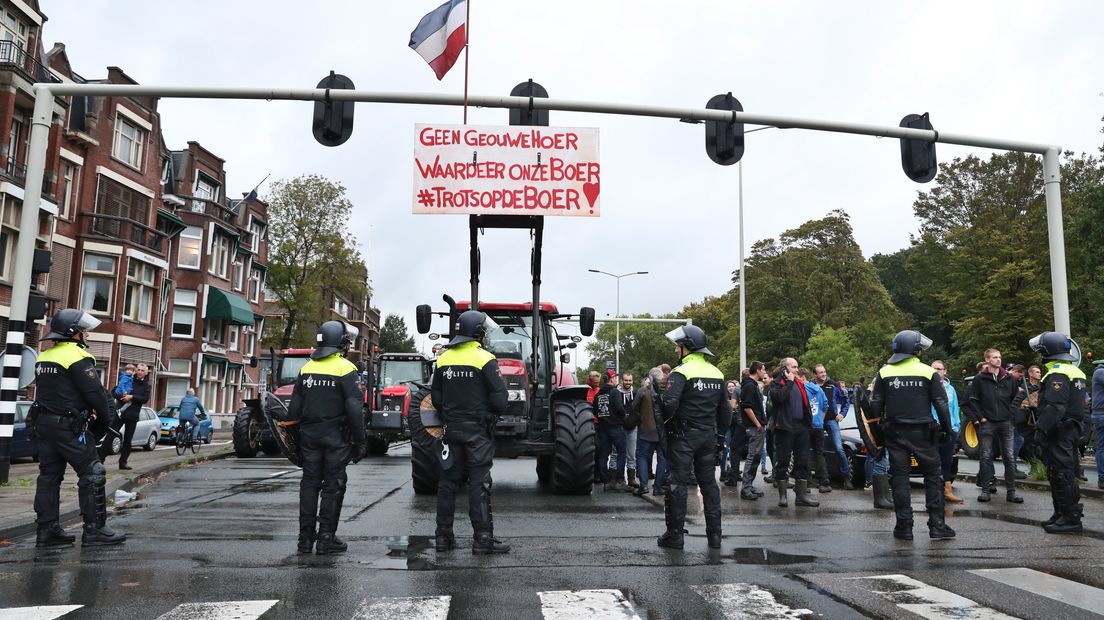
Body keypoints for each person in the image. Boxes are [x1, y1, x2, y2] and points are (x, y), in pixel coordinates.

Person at [29, 308, 126, 546]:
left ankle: (47, 530)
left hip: (44, 425)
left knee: (49, 477)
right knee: (93, 472)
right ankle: (95, 531)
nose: (87, 335)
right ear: (74, 333)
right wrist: (104, 425)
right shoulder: (77, 357)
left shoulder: (44, 356)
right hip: (69, 427)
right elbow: (96, 396)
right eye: (84, 331)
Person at [431, 310, 509, 554]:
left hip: (451, 431)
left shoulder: (443, 359)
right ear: (477, 332)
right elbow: (500, 401)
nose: (485, 335)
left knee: (447, 483)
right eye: (483, 331)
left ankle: (443, 538)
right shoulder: (485, 358)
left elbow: (436, 398)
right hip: (477, 432)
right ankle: (483, 540)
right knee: (479, 484)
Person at [288, 320, 366, 555]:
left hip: (309, 438)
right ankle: (325, 539)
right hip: (336, 439)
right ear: (341, 342)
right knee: (333, 486)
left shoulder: (306, 369)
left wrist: (294, 442)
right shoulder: (346, 369)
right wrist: (360, 441)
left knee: (309, 485)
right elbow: (354, 409)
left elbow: (294, 410)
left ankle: (304, 540)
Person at [868, 330, 955, 541]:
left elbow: (874, 406)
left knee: (899, 478)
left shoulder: (884, 372)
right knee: (933, 477)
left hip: (895, 433)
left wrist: (877, 435)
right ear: (915, 349)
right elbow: (942, 405)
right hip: (923, 433)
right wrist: (946, 430)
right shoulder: (927, 372)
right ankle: (937, 526)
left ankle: (904, 527)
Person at [657, 325, 731, 550]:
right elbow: (726, 411)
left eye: (678, 346)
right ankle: (715, 537)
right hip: (708, 436)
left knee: (677, 484)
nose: (676, 351)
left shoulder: (681, 372)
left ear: (686, 347)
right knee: (709, 484)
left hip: (684, 437)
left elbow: (670, 405)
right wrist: (719, 436)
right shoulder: (717, 373)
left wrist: (659, 403)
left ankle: (675, 536)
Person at [1030, 332, 1089, 534]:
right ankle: (1061, 514)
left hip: (1059, 430)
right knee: (1059, 472)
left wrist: (1040, 429)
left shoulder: (1058, 373)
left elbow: (1055, 406)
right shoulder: (1074, 371)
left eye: (1041, 350)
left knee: (1062, 474)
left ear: (1049, 351)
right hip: (1069, 429)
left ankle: (1071, 518)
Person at [966, 348, 1023, 503]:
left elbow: (1015, 398)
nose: (998, 360)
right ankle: (985, 490)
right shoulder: (979, 379)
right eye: (994, 357)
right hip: (988, 422)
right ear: (987, 359)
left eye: (999, 357)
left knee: (1009, 457)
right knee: (985, 456)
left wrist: (1012, 415)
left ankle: (1011, 492)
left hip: (1006, 422)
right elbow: (973, 400)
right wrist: (981, 418)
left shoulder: (1008, 378)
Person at [768, 358, 819, 508]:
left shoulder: (799, 383)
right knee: (783, 461)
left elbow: (806, 404)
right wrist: (789, 382)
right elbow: (779, 398)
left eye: (797, 367)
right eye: (794, 367)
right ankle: (783, 496)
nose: (797, 370)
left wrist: (809, 425)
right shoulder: (776, 383)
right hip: (784, 427)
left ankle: (801, 496)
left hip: (801, 427)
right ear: (785, 368)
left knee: (803, 461)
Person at [930, 360, 964, 504]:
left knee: (947, 461)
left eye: (940, 369)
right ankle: (935, 492)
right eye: (934, 369)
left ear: (945, 371)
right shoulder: (927, 386)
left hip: (950, 429)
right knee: (933, 461)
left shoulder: (951, 389)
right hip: (933, 428)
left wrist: (956, 426)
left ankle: (947, 491)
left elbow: (955, 409)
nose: (937, 371)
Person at [632, 366, 670, 497]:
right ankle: (658, 487)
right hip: (663, 431)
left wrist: (639, 420)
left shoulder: (643, 391)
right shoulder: (667, 392)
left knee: (642, 457)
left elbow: (634, 408)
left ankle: (643, 486)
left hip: (646, 430)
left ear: (650, 378)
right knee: (663, 459)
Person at [815, 365, 853, 490]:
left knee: (839, 448)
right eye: (820, 372)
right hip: (817, 422)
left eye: (824, 371)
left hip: (831, 420)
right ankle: (820, 478)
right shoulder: (811, 385)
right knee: (817, 450)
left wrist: (842, 414)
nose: (823, 374)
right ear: (815, 374)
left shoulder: (833, 385)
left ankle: (846, 478)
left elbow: (846, 400)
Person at [737, 362, 769, 500]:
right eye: (763, 370)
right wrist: (757, 424)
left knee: (755, 457)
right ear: (757, 370)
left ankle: (749, 485)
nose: (765, 373)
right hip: (754, 427)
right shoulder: (749, 386)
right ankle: (746, 489)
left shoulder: (752, 385)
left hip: (757, 426)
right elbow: (747, 408)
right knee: (752, 457)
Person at [112, 363, 150, 470]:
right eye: (138, 370)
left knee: (128, 440)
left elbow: (145, 399)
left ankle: (123, 463)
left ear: (146, 373)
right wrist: (123, 396)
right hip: (120, 414)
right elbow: (113, 392)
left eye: (142, 370)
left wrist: (132, 397)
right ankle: (100, 460)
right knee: (111, 435)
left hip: (132, 416)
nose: (140, 372)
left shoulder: (147, 385)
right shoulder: (128, 378)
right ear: (135, 371)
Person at [800, 368, 832, 493]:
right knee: (820, 454)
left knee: (805, 454)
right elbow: (825, 406)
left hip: (806, 426)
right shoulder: (819, 389)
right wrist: (820, 421)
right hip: (818, 425)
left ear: (802, 378)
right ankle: (824, 482)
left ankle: (807, 483)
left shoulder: (802, 389)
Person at [594, 370, 626, 490]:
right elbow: (619, 408)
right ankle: (619, 480)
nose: (616, 380)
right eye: (615, 378)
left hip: (603, 428)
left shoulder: (598, 395)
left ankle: (606, 481)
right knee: (621, 452)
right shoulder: (615, 392)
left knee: (603, 455)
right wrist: (623, 416)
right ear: (611, 379)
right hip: (616, 427)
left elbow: (594, 410)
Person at [610, 372, 638, 489]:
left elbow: (639, 409)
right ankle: (613, 479)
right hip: (619, 428)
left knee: (631, 455)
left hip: (632, 428)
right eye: (626, 380)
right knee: (615, 453)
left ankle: (631, 479)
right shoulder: (615, 393)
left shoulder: (636, 394)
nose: (628, 382)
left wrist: (637, 421)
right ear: (622, 380)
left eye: (630, 380)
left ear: (632, 381)